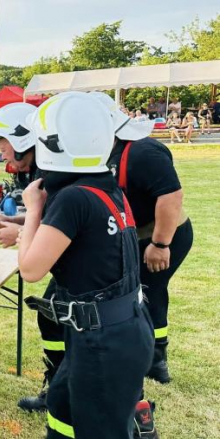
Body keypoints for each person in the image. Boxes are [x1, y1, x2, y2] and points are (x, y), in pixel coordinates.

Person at [19, 92, 155, 438]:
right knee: (63, 405)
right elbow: (85, 243)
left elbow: (31, 270)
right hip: (121, 329)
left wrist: (33, 207)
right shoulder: (106, 188)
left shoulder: (71, 198)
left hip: (102, 341)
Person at [95, 92, 194, 387]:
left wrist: (160, 244)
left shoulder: (142, 151)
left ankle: (154, 359)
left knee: (147, 292)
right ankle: (154, 359)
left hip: (163, 234)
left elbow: (172, 195)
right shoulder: (107, 150)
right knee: (149, 291)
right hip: (137, 235)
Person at [0, 103, 66, 413]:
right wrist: (10, 221)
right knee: (51, 318)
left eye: (1, 143)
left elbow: (56, 228)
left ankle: (61, 389)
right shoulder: (41, 168)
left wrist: (17, 235)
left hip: (81, 266)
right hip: (69, 262)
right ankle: (58, 385)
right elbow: (42, 217)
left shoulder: (52, 174)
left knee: (60, 322)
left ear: (21, 138)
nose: (1, 152)